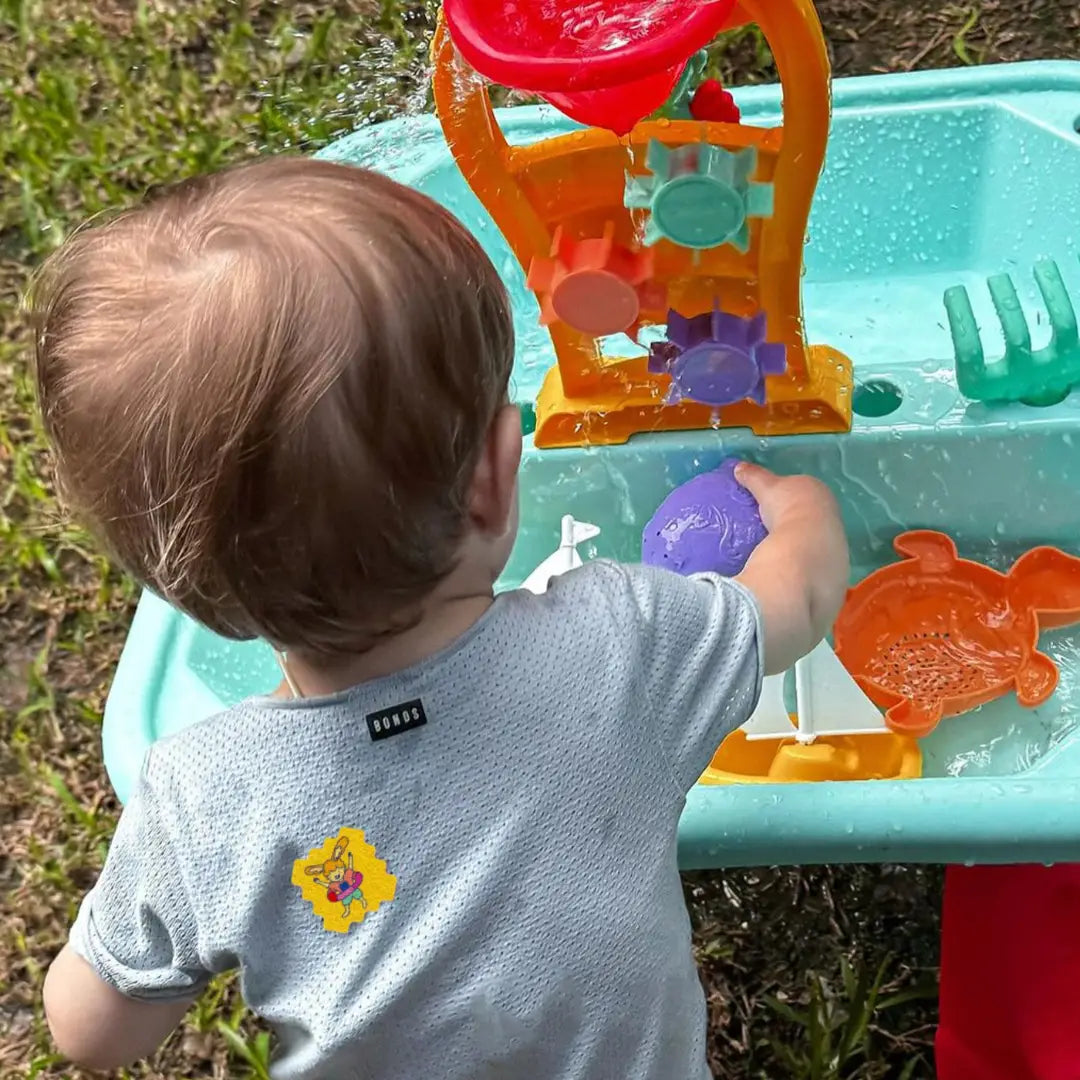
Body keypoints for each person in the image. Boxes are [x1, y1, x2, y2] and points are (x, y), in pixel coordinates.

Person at [30, 156, 849, 1079]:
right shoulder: (621, 642)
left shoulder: (204, 798)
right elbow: (799, 602)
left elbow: (94, 1033)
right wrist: (799, 506)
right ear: (496, 483)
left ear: (177, 588)